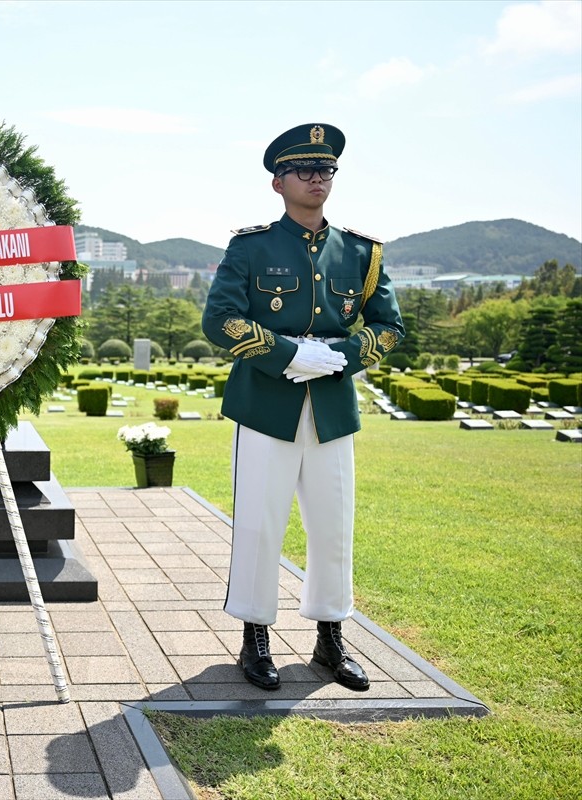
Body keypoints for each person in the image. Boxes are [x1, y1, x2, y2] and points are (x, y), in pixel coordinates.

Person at [201, 123, 404, 693]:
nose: (318, 178)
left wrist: (340, 356)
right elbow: (219, 320)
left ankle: (331, 637)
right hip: (267, 404)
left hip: (334, 407)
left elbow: (390, 327)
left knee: (334, 524)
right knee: (261, 523)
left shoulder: (361, 251)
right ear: (278, 182)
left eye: (327, 170)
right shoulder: (250, 246)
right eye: (305, 170)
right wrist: (288, 353)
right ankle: (255, 636)